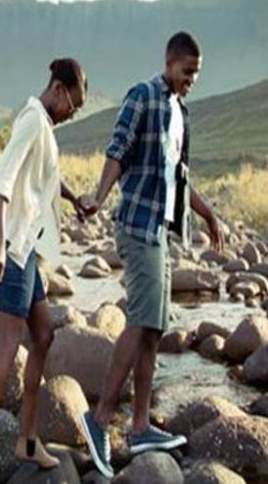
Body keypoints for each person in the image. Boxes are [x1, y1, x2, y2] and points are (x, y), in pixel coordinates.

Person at [77, 31, 225, 478]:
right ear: (169, 63)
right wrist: (100, 197)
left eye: (197, 74)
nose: (191, 81)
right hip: (136, 226)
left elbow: (180, 178)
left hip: (161, 230)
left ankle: (140, 426)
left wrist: (208, 214)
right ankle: (99, 419)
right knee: (141, 320)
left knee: (155, 328)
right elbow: (117, 151)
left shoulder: (181, 112)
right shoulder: (143, 96)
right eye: (187, 72)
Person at [0, 58, 95, 483]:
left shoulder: (45, 128)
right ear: (58, 88)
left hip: (30, 252)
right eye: (72, 104)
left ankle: (27, 439)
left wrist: (73, 200)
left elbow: (46, 181)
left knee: (45, 335)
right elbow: (1, 181)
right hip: (16, 250)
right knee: (6, 348)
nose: (71, 113)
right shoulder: (32, 120)